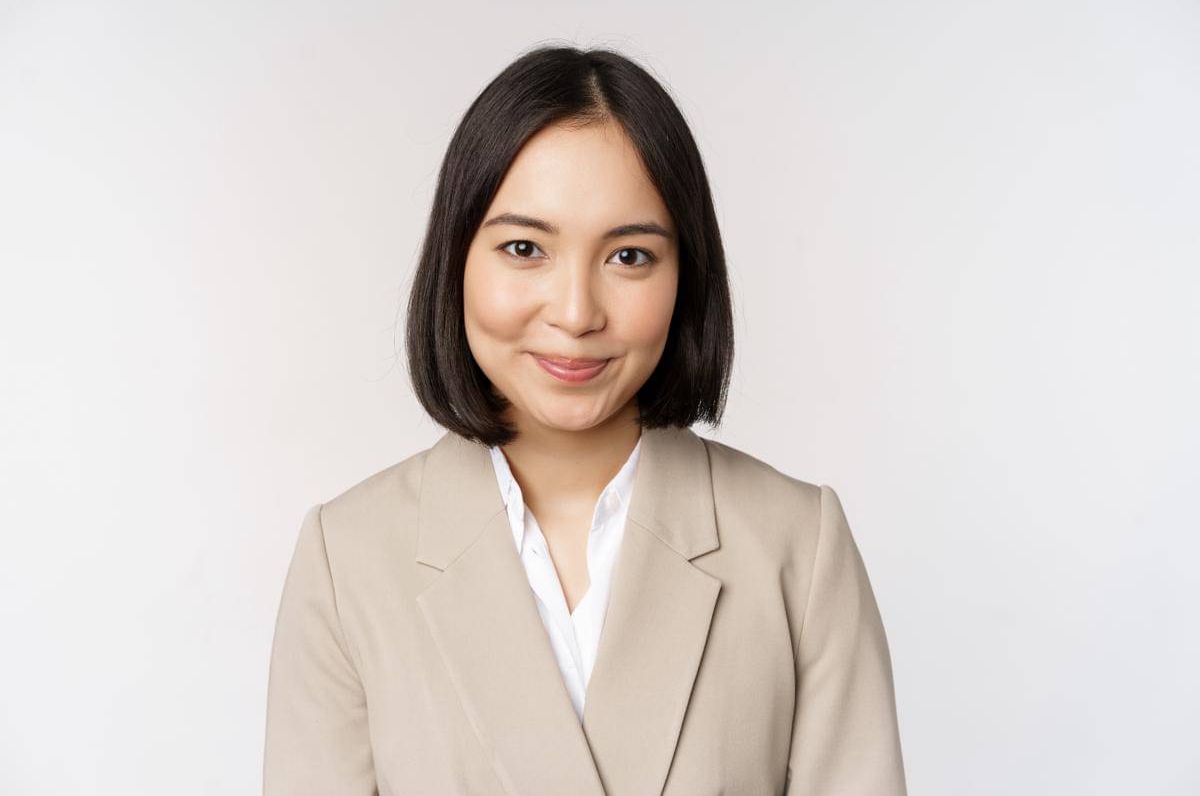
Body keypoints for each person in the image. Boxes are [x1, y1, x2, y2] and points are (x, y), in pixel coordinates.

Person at [263, 43, 907, 795]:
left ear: (685, 275)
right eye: (524, 247)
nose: (575, 313)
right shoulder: (347, 561)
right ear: (455, 259)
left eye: (629, 256)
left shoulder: (799, 547)